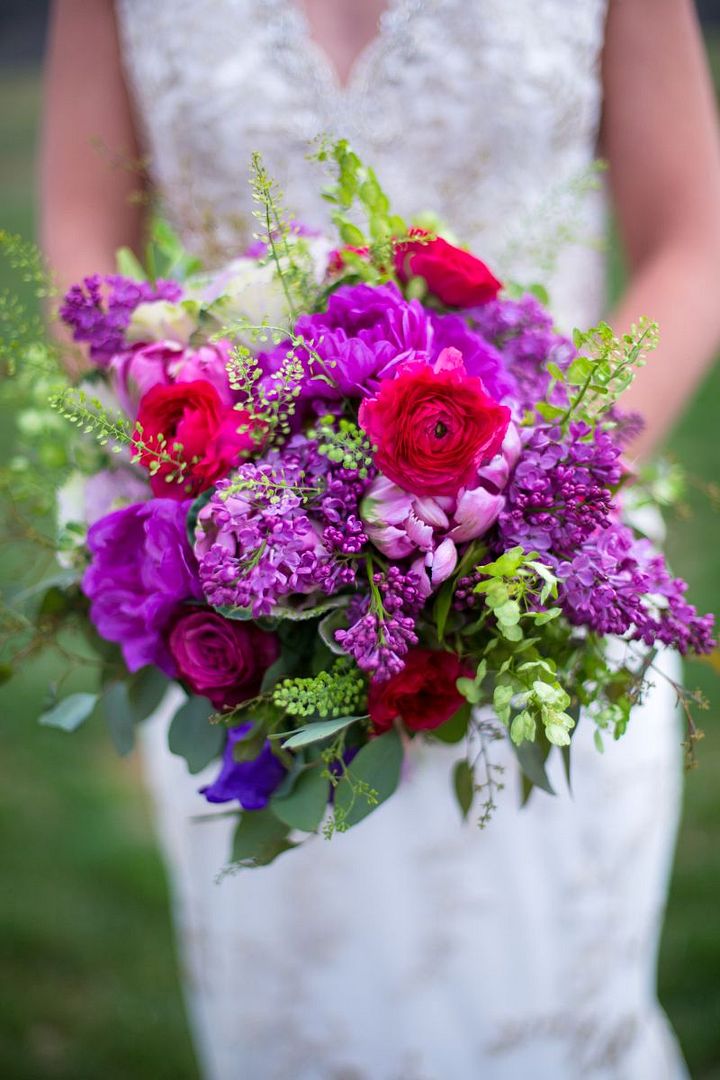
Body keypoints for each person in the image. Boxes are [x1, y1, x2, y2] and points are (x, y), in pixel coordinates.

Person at [40, 2, 720, 1077]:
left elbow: (695, 235)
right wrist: (207, 457)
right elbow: (83, 245)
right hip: (256, 615)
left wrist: (538, 497)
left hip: (543, 591)